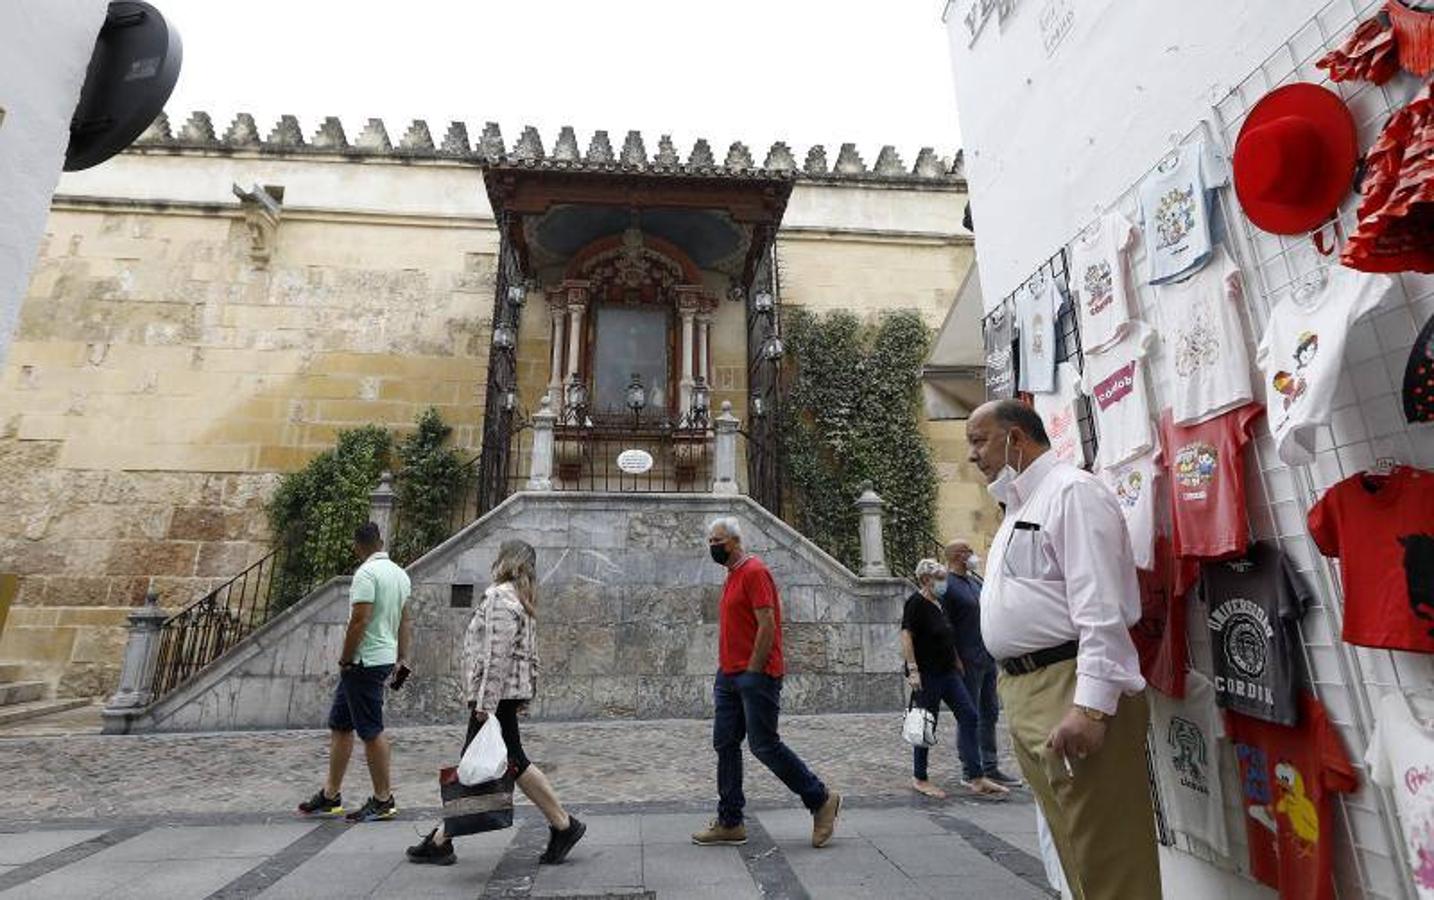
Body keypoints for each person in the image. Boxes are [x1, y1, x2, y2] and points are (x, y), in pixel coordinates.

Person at [967, 398, 1160, 899]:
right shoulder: (1019, 504)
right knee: (1075, 849)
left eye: (979, 439)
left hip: (1066, 681)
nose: (972, 454)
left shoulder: (1070, 492)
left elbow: (1101, 606)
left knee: (1108, 855)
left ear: (1017, 438)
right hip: (1027, 688)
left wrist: (1092, 708)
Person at [407, 539, 585, 866]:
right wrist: (520, 697)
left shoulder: (500, 597)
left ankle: (441, 840)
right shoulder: (522, 598)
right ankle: (563, 824)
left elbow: (496, 656)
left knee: (476, 764)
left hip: (494, 696)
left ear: (505, 560)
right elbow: (528, 657)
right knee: (511, 761)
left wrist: (485, 703)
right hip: (504, 695)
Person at [691, 516, 843, 849]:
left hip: (754, 676)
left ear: (734, 541)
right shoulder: (732, 575)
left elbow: (768, 623)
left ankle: (820, 799)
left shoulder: (754, 571)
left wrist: (754, 671)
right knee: (725, 745)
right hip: (729, 675)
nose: (712, 547)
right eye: (710, 542)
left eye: (717, 541)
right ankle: (730, 821)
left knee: (764, 745)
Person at [297, 522, 413, 823]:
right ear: (381, 541)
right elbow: (404, 619)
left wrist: (346, 659)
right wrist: (401, 655)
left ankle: (383, 799)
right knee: (341, 725)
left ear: (356, 546)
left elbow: (359, 620)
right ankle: (330, 794)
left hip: (364, 662)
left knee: (371, 731)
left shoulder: (366, 574)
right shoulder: (399, 574)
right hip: (382, 657)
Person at [902, 559, 1009, 798]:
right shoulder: (916, 603)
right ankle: (920, 777)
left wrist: (956, 660)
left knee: (970, 716)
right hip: (928, 674)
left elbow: (946, 634)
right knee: (926, 724)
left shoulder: (938, 602)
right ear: (926, 580)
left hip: (948, 672)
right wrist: (913, 669)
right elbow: (907, 635)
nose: (944, 582)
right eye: (939, 577)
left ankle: (976, 776)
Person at [942, 539, 1022, 787]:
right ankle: (970, 768)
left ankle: (990, 766)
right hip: (965, 659)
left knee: (990, 713)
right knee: (970, 715)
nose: (973, 554)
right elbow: (945, 626)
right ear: (957, 555)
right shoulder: (947, 586)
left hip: (986, 656)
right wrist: (953, 658)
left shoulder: (975, 582)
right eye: (968, 551)